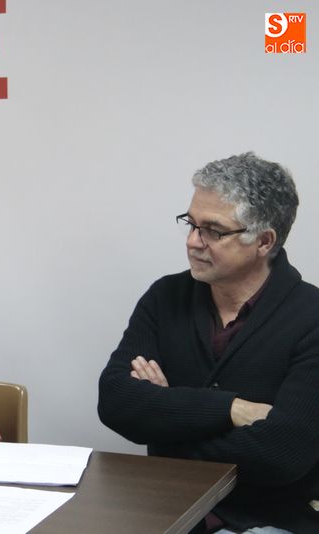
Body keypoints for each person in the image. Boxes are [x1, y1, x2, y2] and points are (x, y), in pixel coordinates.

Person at [98, 152, 319, 533]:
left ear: (264, 241)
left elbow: (283, 454)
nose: (192, 242)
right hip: (168, 511)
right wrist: (231, 409)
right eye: (190, 223)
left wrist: (167, 422)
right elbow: (115, 402)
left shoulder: (311, 316)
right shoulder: (165, 297)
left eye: (213, 231)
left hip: (268, 520)